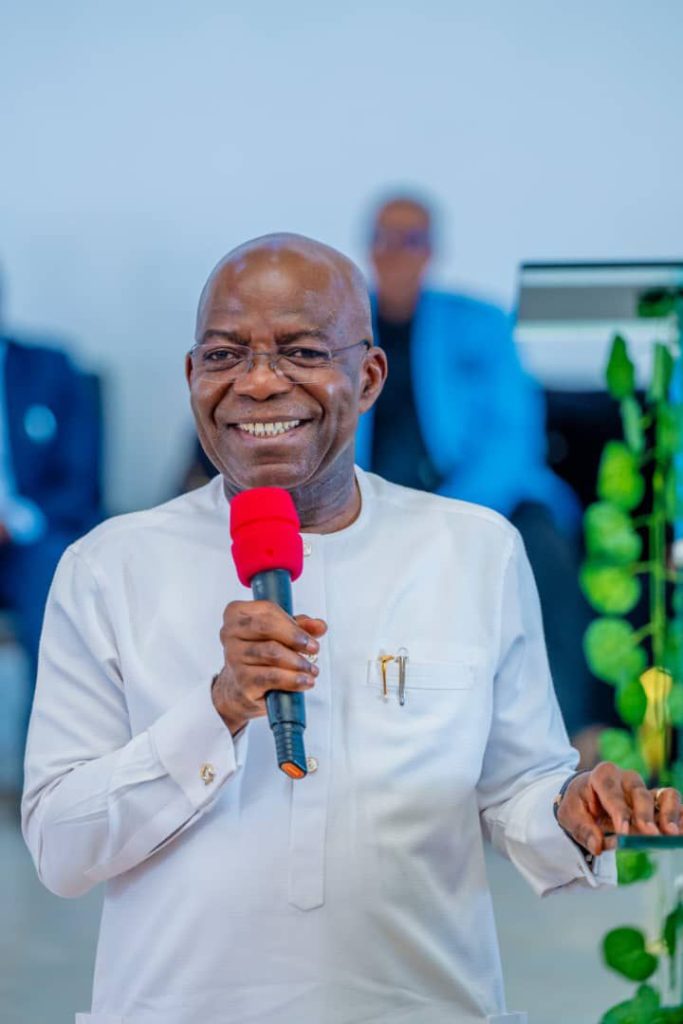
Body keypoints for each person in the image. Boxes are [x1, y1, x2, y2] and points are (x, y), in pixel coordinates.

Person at [22, 234, 682, 1024]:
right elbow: (61, 850)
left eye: (301, 352)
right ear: (192, 376)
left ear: (367, 377)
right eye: (224, 355)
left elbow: (515, 793)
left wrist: (570, 813)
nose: (258, 382)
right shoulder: (108, 567)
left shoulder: (472, 550)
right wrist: (218, 710)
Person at [356, 194, 593, 744]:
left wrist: (445, 515)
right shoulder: (338, 327)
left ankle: (569, 734)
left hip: (477, 498)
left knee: (540, 548)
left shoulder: (478, 322)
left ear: (431, 250)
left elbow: (513, 436)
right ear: (369, 247)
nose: (396, 252)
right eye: (385, 238)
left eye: (411, 239)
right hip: (368, 500)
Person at [0, 326, 101, 681]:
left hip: (29, 538)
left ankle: (47, 714)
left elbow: (80, 481)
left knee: (56, 568)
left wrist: (13, 522)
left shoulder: (48, 369)